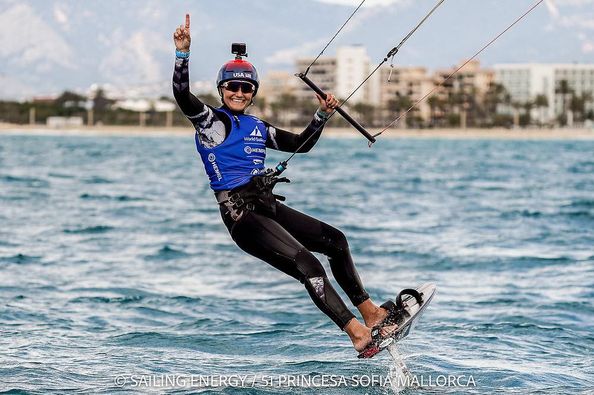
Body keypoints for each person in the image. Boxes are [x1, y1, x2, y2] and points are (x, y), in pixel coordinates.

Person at [172, 14, 399, 357]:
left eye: (245, 87)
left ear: (252, 93)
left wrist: (320, 117)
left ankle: (372, 314)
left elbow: (300, 144)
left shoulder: (257, 127)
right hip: (242, 216)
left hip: (266, 207)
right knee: (308, 264)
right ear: (222, 90)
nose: (238, 92)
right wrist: (183, 54)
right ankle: (357, 334)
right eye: (231, 86)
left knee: (336, 242)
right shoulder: (211, 122)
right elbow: (180, 93)